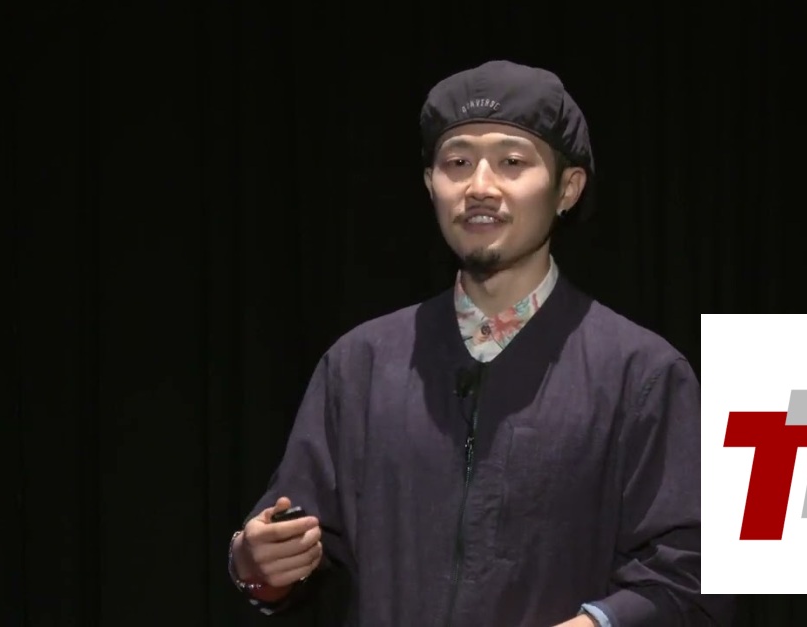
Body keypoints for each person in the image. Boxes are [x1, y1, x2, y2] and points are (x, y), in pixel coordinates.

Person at [228, 59, 734, 626]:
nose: (480, 187)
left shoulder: (640, 373)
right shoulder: (362, 364)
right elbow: (283, 549)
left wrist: (597, 623)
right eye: (458, 163)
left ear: (567, 189)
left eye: (512, 162)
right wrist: (256, 563)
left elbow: (693, 574)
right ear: (431, 185)